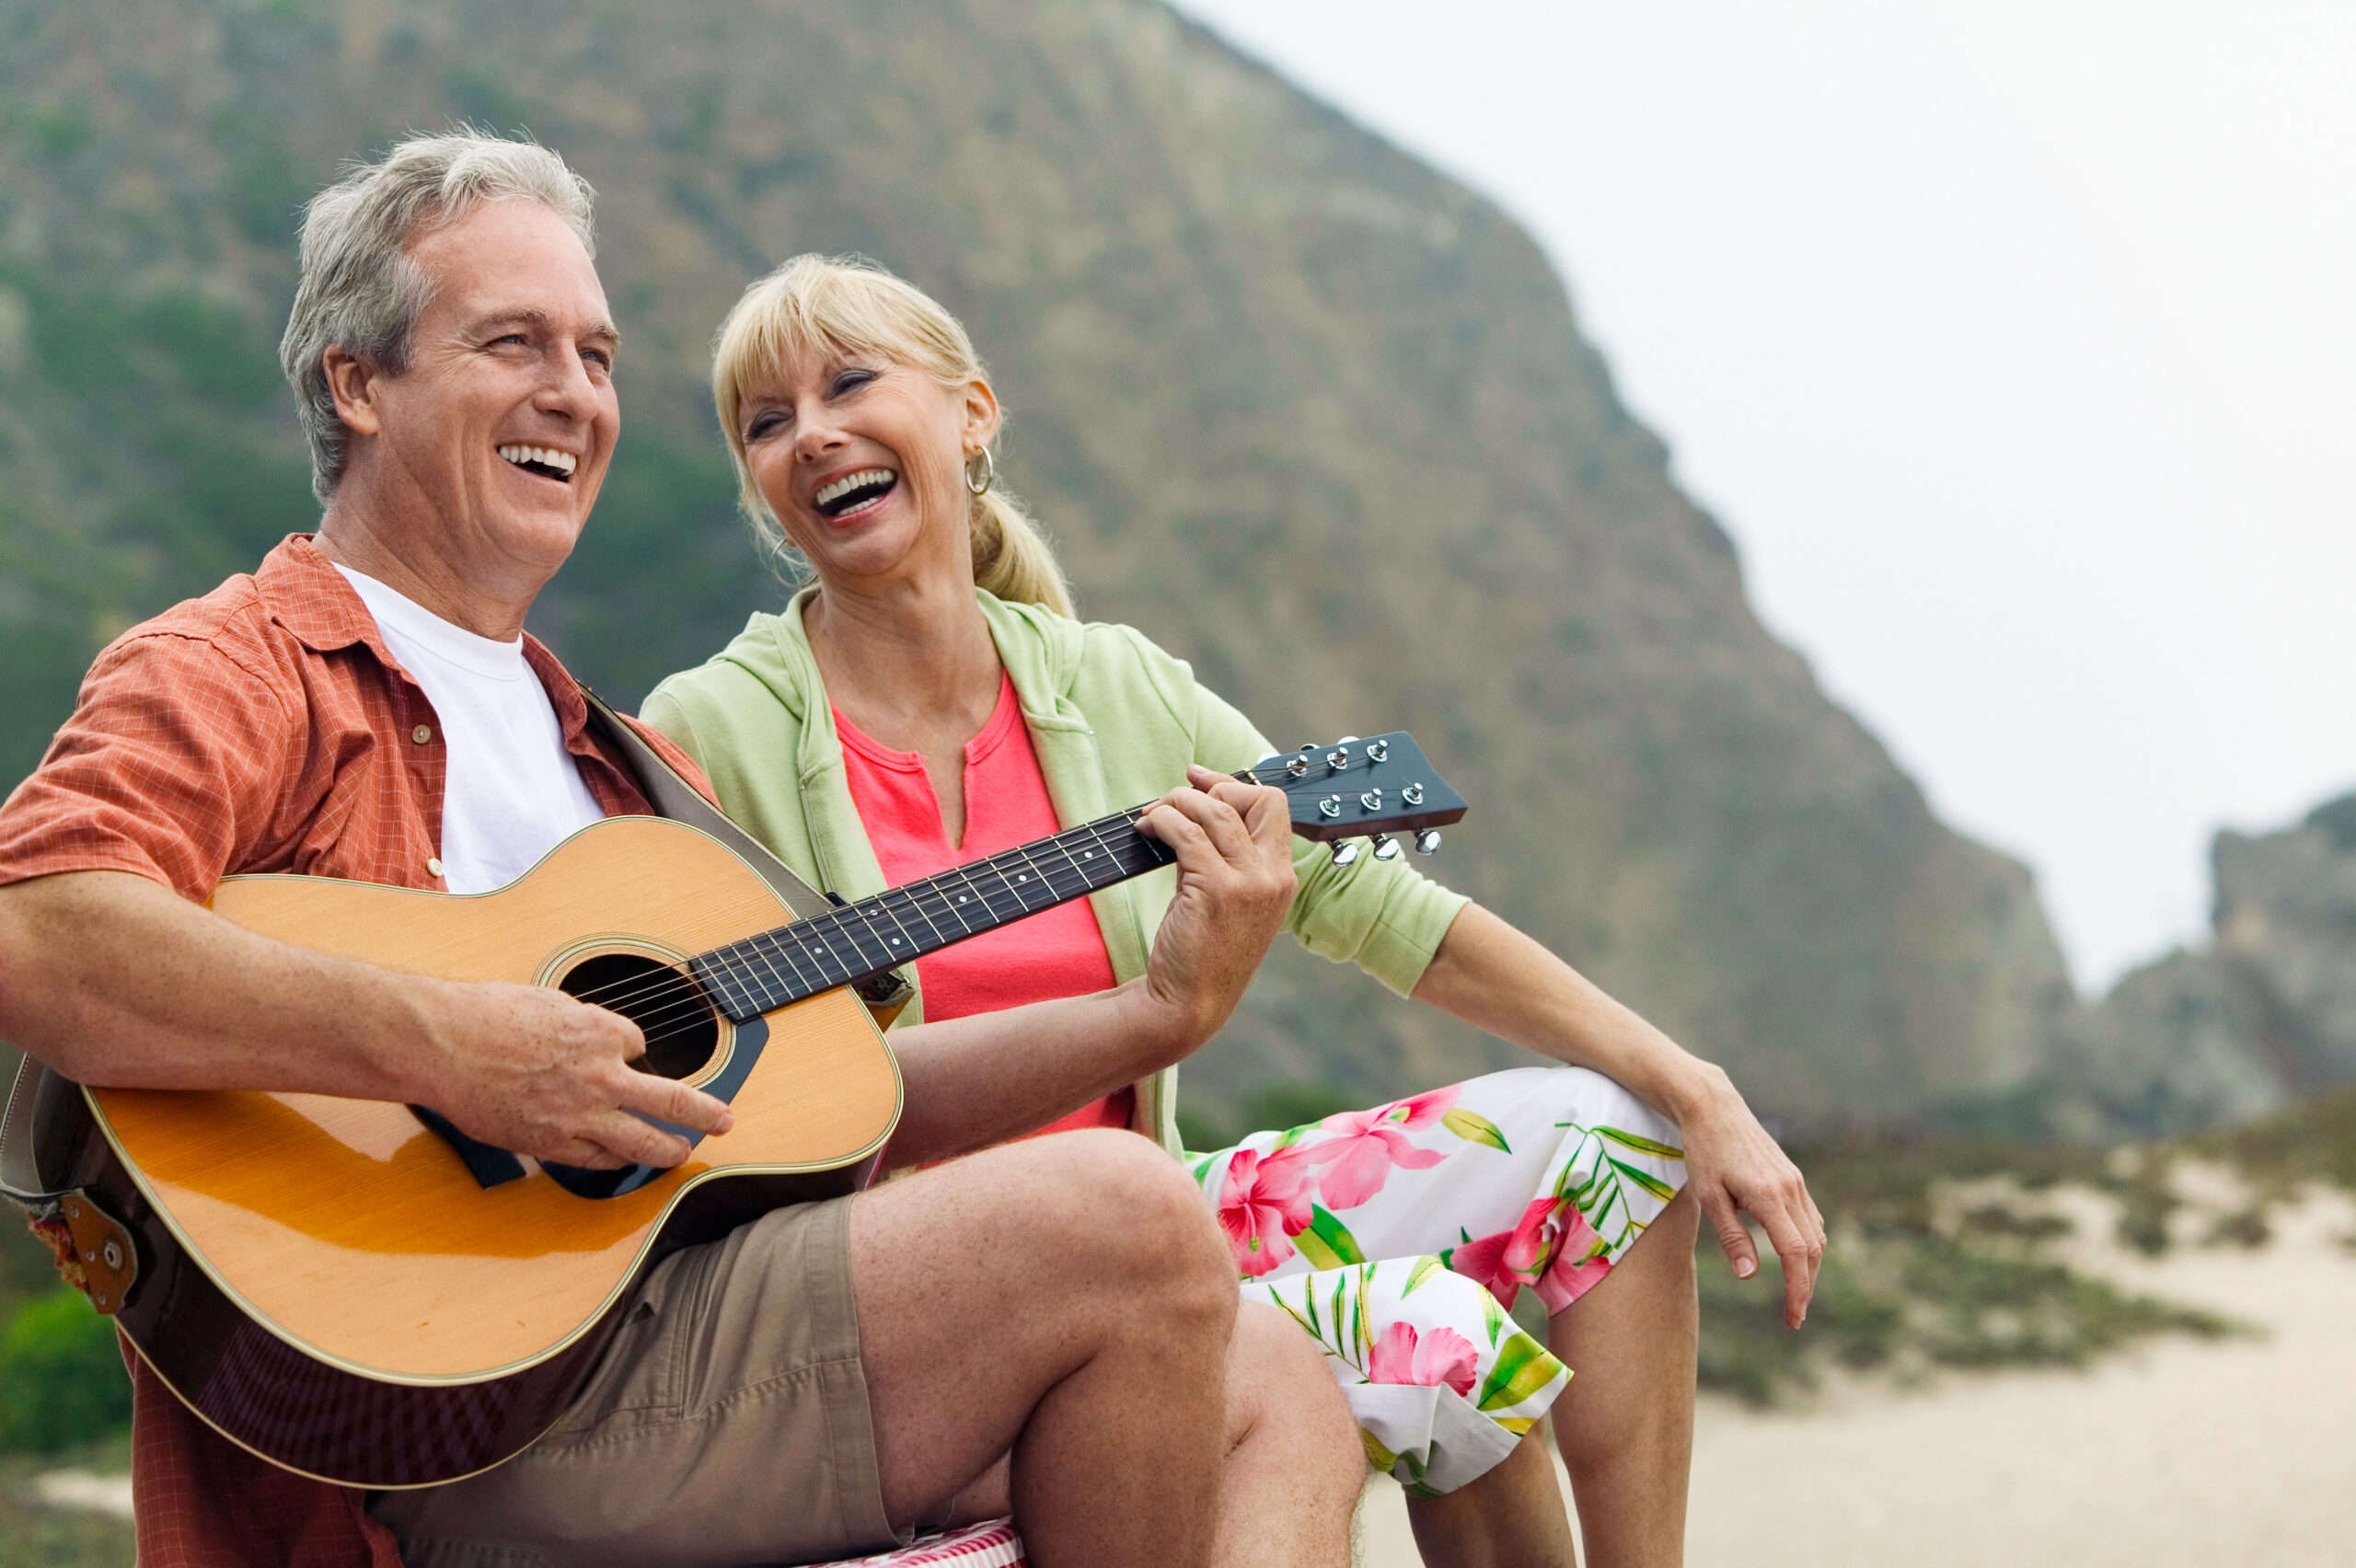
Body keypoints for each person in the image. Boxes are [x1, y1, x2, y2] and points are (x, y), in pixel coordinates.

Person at [0, 133, 1369, 1568]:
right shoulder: (247, 663)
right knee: (1128, 1212)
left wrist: (1155, 1015)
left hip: (673, 1331)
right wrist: (449, 1048)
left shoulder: (608, 751)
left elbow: (830, 1104)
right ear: (358, 382)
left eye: (596, 353)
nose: (572, 394)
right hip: (462, 1422)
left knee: (1280, 1386)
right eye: (512, 342)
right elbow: (37, 931)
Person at [643, 255, 1832, 1568]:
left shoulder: (1116, 687)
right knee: (1434, 1339)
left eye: (851, 382)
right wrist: (1161, 1009)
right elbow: (729, 1084)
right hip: (922, 1288)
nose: (811, 431)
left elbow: (1378, 907)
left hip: (1159, 1219)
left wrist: (1694, 1083)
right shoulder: (713, 728)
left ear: (970, 414)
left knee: (1618, 1133)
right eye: (767, 419)